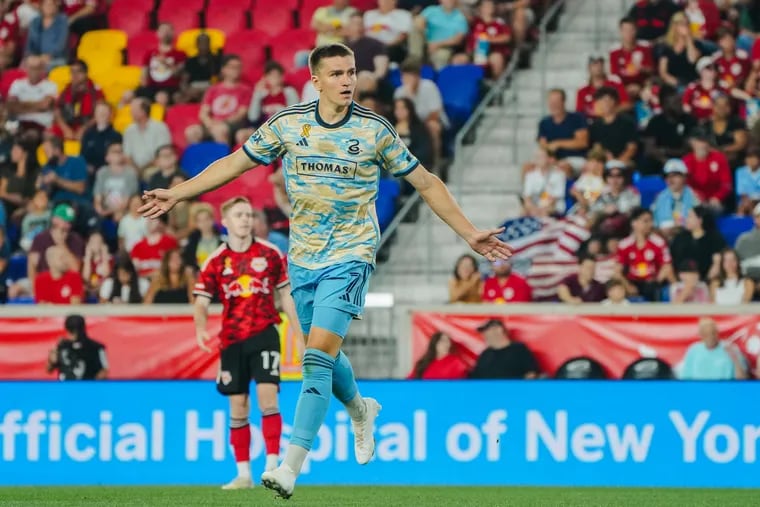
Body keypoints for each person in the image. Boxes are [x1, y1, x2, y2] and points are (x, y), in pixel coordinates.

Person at [140, 43, 511, 499]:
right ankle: (360, 408)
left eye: (351, 72)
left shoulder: (374, 131)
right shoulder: (289, 125)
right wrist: (179, 192)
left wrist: (469, 233)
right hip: (303, 260)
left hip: (351, 255)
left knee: (315, 358)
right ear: (316, 80)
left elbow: (426, 182)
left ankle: (290, 466)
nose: (347, 81)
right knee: (325, 355)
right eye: (336, 74)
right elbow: (234, 164)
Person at [192, 196, 303, 489]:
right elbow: (201, 300)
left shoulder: (270, 253)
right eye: (239, 215)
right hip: (231, 340)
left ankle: (271, 465)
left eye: (249, 215)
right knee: (238, 406)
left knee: (269, 397)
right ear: (225, 222)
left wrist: (299, 335)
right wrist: (200, 328)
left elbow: (286, 296)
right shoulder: (216, 260)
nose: (245, 219)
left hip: (265, 333)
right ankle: (243, 474)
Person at [677, 317, 748, 380]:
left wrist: (735, 359)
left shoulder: (730, 348)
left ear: (717, 333)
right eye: (706, 334)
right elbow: (686, 379)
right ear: (701, 335)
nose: (710, 337)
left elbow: (742, 380)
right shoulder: (693, 351)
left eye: (713, 333)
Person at [469, 319, 539, 379]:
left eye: (486, 330)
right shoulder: (485, 354)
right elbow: (475, 377)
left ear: (499, 330)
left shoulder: (519, 349)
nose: (483, 335)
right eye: (482, 332)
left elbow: (531, 374)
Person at [45, 315, 108, 380]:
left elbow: (104, 371)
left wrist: (90, 387)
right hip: (65, 389)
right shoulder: (62, 346)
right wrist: (51, 361)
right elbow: (49, 369)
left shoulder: (95, 347)